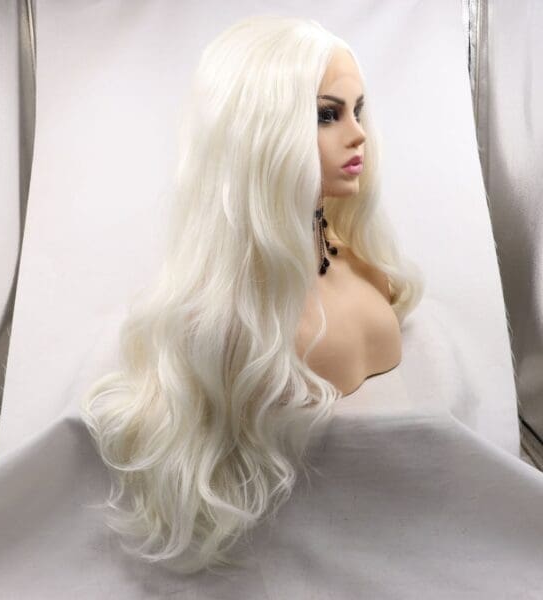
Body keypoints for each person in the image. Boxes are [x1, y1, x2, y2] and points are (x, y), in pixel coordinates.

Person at [79, 14, 424, 576]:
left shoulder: (365, 268)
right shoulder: (238, 325)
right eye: (327, 115)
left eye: (357, 110)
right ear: (260, 133)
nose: (357, 133)